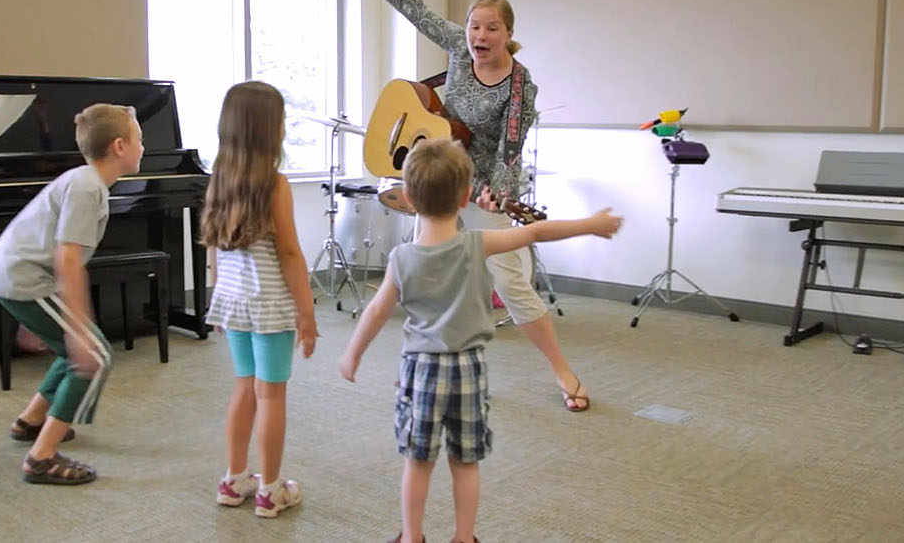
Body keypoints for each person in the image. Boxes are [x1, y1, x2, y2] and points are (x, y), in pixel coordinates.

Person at [339, 139, 622, 543]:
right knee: (465, 463)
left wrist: (352, 354)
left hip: (420, 371)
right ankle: (464, 537)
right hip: (468, 370)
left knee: (418, 463)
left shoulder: (401, 258)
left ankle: (413, 537)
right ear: (465, 197)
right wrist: (590, 225)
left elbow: (376, 311)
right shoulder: (478, 244)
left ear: (407, 200)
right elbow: (536, 231)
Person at [366, 0, 594, 413]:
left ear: (509, 34)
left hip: (485, 181)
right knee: (428, 274)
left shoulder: (519, 86)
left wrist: (496, 192)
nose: (479, 36)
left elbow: (511, 150)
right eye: (474, 26)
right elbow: (419, 12)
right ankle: (426, 371)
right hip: (442, 179)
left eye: (491, 28)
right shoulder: (456, 47)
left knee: (510, 282)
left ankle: (563, 371)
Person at [0, 103, 144, 485]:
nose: (143, 147)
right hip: (25, 280)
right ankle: (42, 457)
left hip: (18, 277)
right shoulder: (87, 187)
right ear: (119, 146)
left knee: (76, 351)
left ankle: (31, 421)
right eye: (140, 139)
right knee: (94, 355)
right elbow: (68, 259)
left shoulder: (85, 180)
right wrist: (79, 326)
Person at [202, 81, 320, 518]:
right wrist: (307, 315)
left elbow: (211, 245)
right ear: (269, 130)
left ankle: (234, 480)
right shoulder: (274, 185)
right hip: (270, 306)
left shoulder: (219, 180)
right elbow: (290, 253)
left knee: (243, 387)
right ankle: (271, 490)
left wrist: (216, 296)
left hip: (234, 303)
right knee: (270, 395)